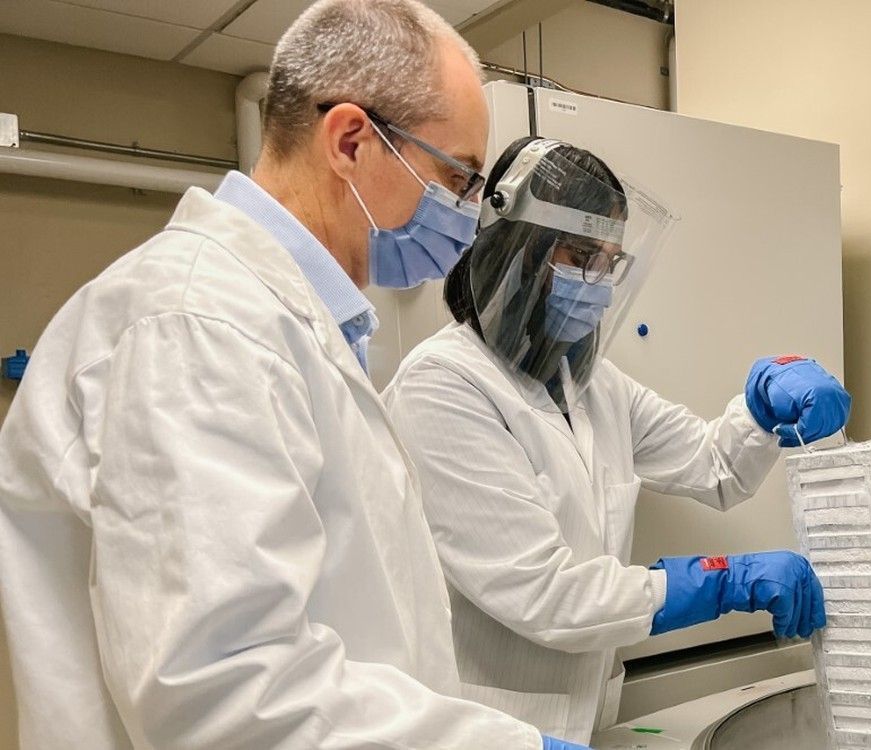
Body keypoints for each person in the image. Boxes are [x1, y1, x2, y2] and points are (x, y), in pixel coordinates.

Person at [0, 3, 585, 749]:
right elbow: (223, 692)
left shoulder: (293, 326)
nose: (469, 217)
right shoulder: (199, 324)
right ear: (350, 140)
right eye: (457, 179)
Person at [382, 137, 852, 744]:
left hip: (586, 714)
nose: (597, 282)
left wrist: (761, 412)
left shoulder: (591, 383)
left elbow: (713, 466)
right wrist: (719, 580)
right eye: (580, 255)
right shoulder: (443, 387)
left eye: (610, 262)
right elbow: (545, 593)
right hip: (492, 724)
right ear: (515, 253)